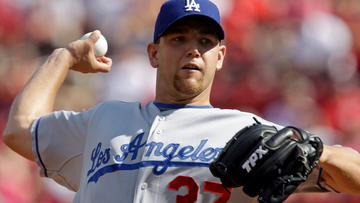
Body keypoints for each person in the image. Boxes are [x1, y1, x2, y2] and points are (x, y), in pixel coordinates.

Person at [3, 0, 360, 202]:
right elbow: (19, 131)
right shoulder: (103, 119)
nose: (193, 48)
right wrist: (62, 57)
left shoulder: (247, 133)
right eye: (179, 39)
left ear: (220, 57)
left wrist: (320, 152)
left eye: (206, 41)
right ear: (154, 53)